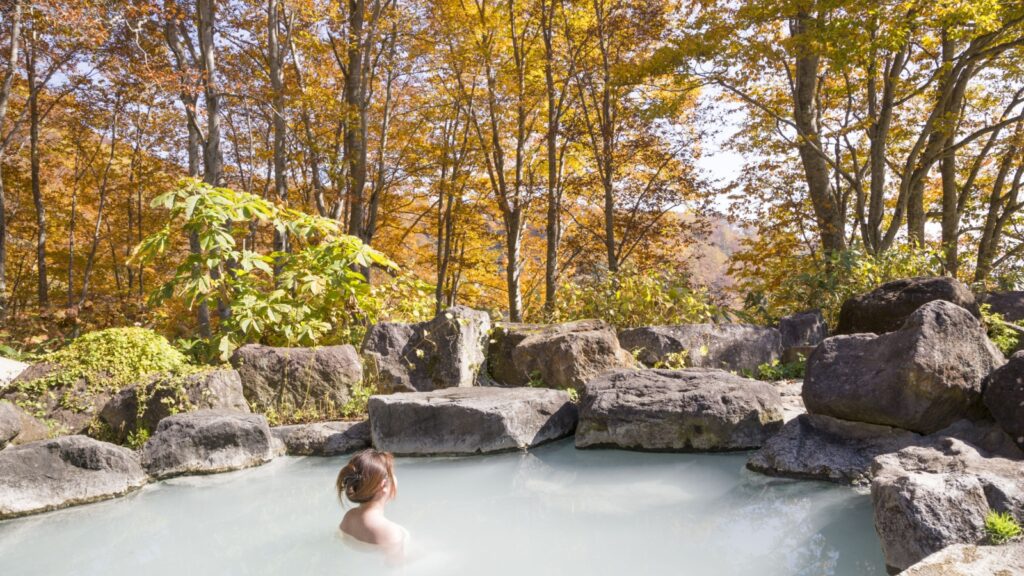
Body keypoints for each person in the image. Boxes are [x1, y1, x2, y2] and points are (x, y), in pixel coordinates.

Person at [336, 449, 408, 555]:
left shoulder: (349, 517)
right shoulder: (390, 532)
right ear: (383, 485)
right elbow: (395, 567)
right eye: (393, 474)